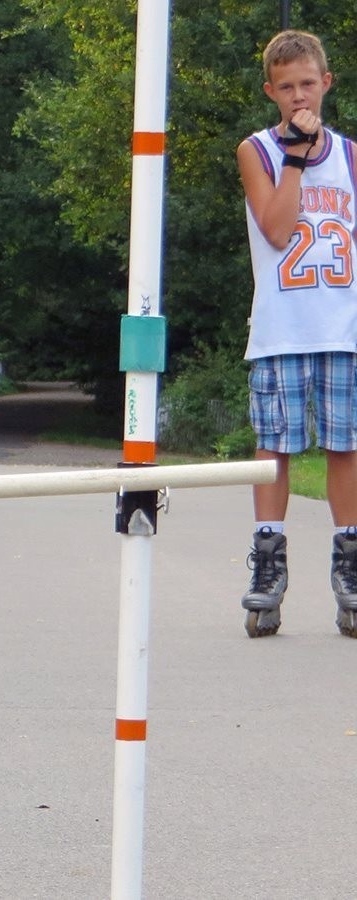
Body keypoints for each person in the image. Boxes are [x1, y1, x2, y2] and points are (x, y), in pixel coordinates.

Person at [236, 30, 357, 638]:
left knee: (345, 443)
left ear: (326, 83)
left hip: (343, 327)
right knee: (275, 448)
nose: (298, 95)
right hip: (282, 328)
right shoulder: (256, 151)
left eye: (307, 83)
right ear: (271, 92)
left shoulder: (353, 156)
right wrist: (293, 156)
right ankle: (268, 560)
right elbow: (279, 230)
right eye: (286, 87)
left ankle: (350, 558)